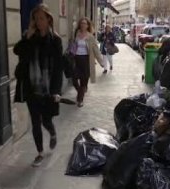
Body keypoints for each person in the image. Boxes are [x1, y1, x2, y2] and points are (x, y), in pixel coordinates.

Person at [13, 4, 63, 167]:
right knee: (35, 121)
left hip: (48, 89)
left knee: (45, 120)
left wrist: (56, 90)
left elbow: (58, 68)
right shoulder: (30, 37)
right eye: (36, 18)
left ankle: (52, 132)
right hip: (31, 87)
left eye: (42, 18)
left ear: (48, 19)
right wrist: (27, 36)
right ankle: (40, 153)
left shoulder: (55, 39)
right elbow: (17, 51)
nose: (39, 21)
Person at [72, 17, 104, 107]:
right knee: (74, 79)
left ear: (87, 26)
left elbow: (96, 50)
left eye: (85, 23)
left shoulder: (90, 37)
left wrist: (101, 62)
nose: (83, 25)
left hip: (86, 60)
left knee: (83, 80)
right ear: (79, 25)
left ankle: (80, 99)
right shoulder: (77, 34)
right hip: (76, 59)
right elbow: (74, 46)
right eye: (82, 23)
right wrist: (71, 54)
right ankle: (80, 92)